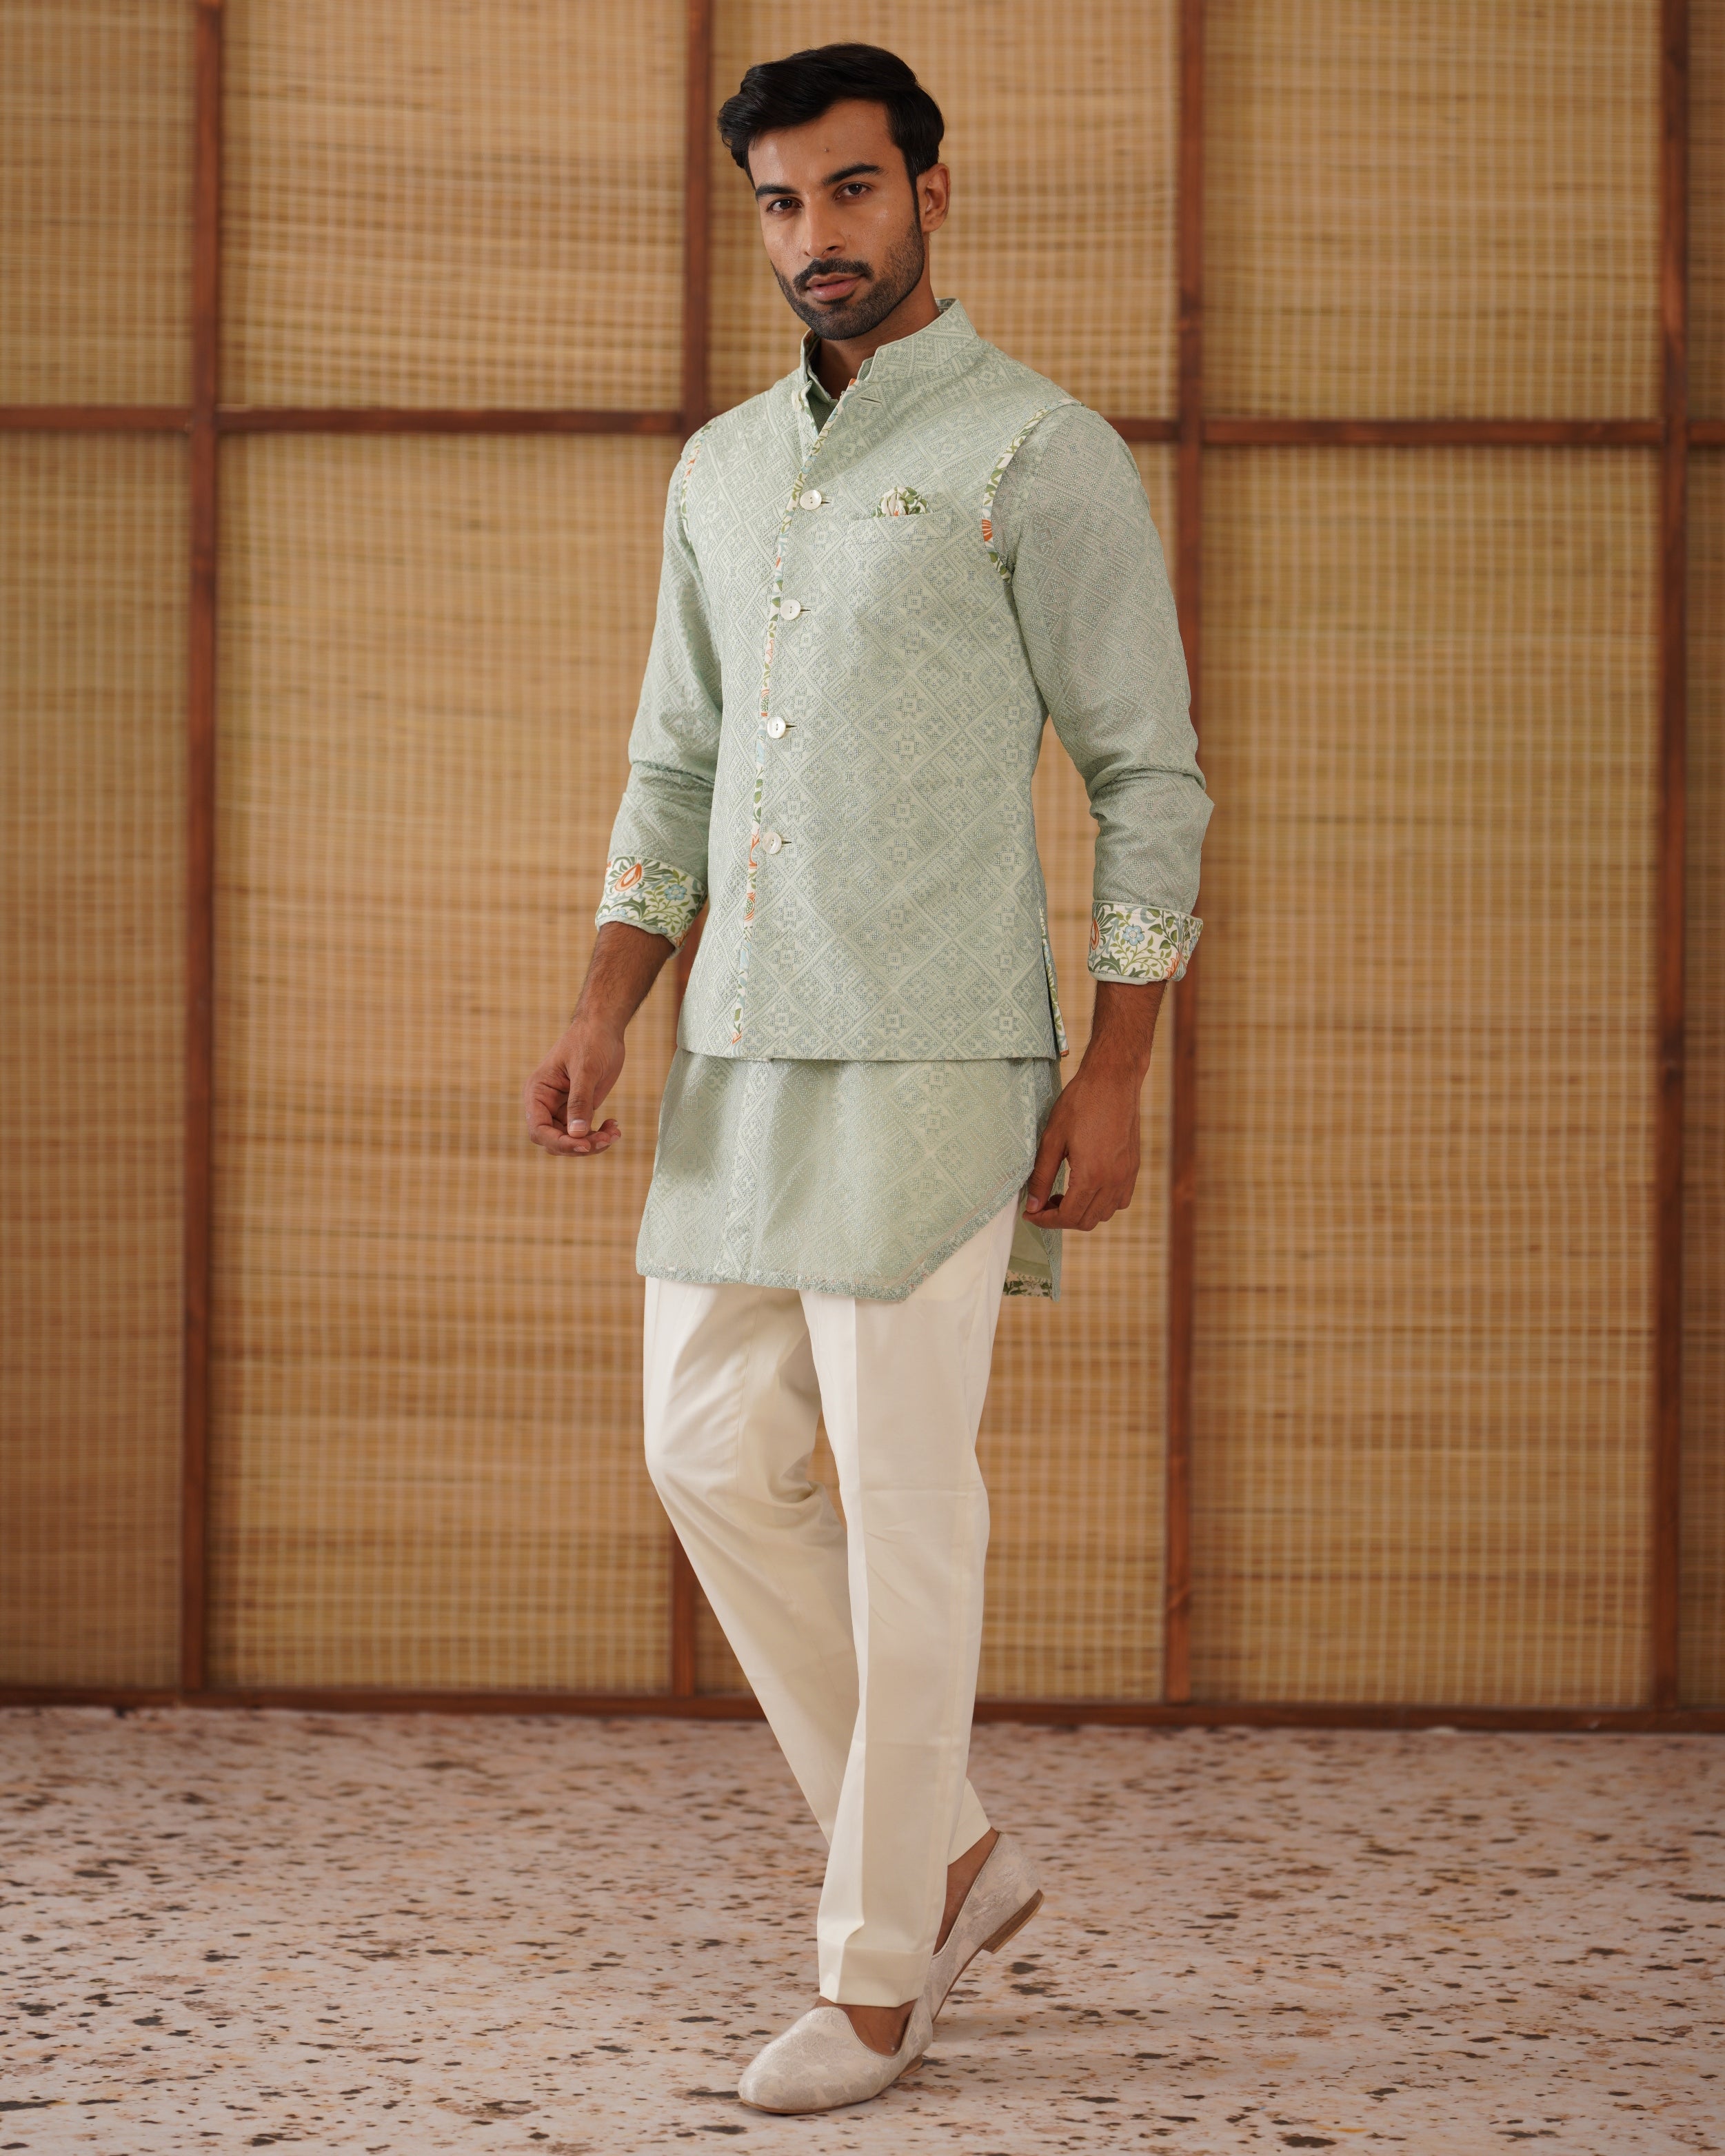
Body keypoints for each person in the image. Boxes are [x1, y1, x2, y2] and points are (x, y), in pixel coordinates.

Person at [524, 41, 1211, 2116]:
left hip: (938, 1056)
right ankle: (954, 1853)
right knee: (706, 1456)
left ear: (930, 192)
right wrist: (605, 1000)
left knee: (908, 1508)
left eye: (850, 190)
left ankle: (882, 1972)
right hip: (739, 1051)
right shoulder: (723, 470)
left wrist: (1118, 1071)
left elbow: (1151, 780)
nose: (815, 235)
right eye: (780, 202)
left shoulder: (1038, 453)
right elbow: (672, 760)